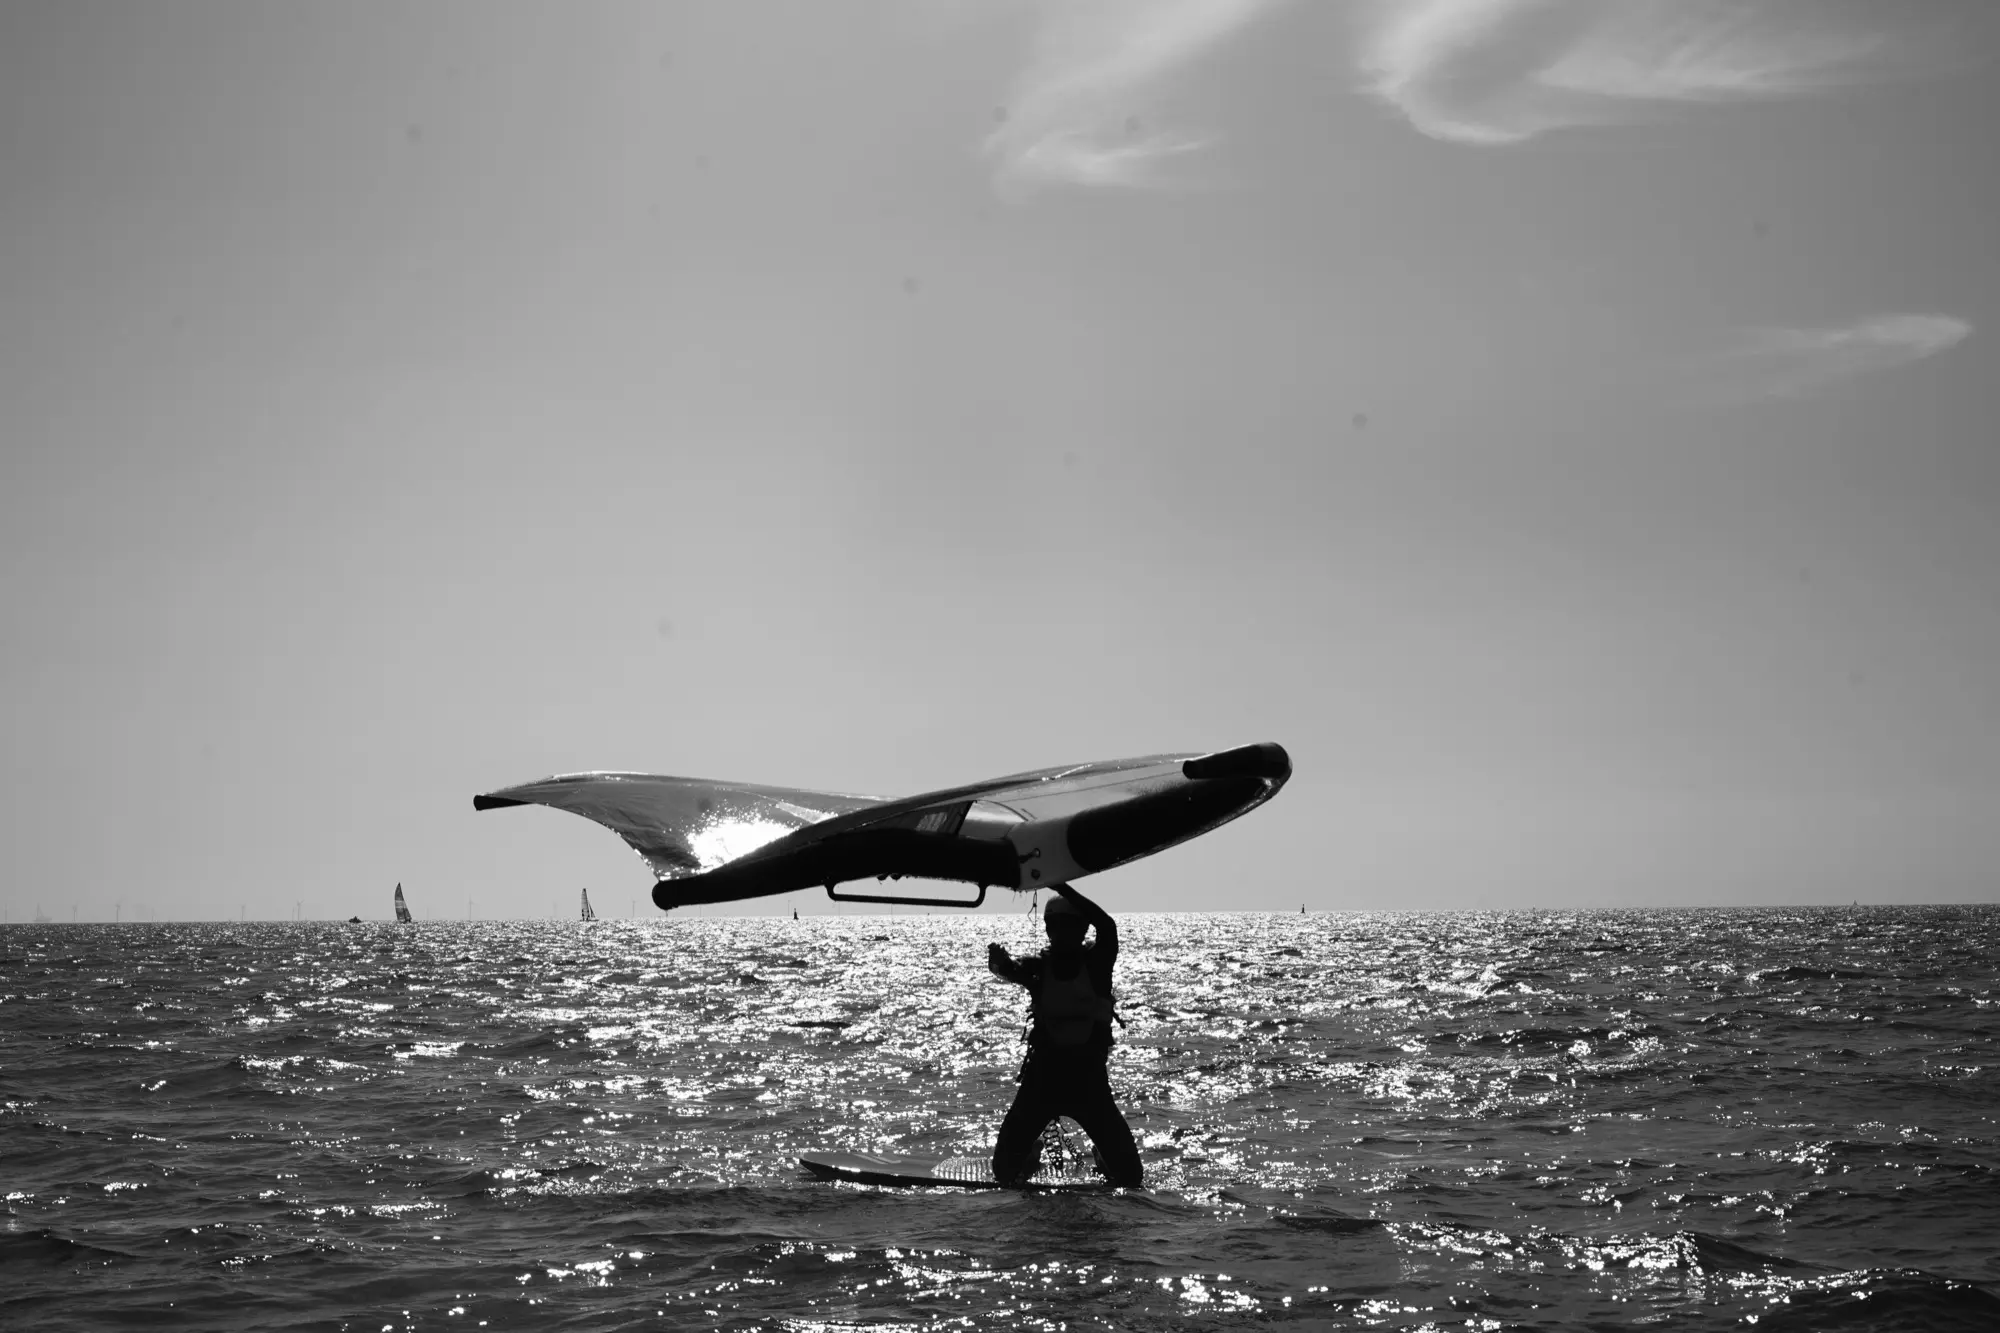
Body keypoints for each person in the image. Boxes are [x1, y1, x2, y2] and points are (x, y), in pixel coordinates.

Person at [985, 882, 1142, 1187]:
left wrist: (1059, 885)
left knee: (1132, 1178)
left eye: (1070, 926)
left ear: (1083, 928)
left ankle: (1104, 1158)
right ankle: (1029, 1156)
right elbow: (1008, 970)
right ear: (1047, 929)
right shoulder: (1037, 969)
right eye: (1055, 926)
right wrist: (998, 962)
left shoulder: (1098, 964)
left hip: (1088, 1084)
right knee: (1003, 1174)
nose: (1062, 933)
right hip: (1042, 1081)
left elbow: (1107, 925)